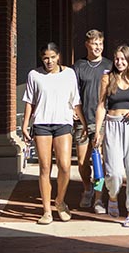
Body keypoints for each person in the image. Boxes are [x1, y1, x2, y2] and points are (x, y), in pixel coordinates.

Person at [21, 42, 87, 225]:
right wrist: (25, 124)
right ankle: (47, 211)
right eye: (45, 58)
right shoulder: (34, 75)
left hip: (63, 123)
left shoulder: (69, 74)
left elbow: (76, 100)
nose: (49, 61)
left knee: (65, 166)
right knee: (45, 167)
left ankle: (59, 201)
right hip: (42, 124)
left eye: (52, 57)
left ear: (58, 56)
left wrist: (83, 123)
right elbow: (29, 101)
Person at [94, 44, 129, 227]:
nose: (119, 62)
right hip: (112, 125)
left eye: (123, 59)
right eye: (117, 59)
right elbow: (101, 106)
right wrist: (98, 131)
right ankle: (112, 195)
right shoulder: (107, 78)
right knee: (114, 172)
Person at [72, 29, 113, 214]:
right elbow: (72, 93)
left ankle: (98, 199)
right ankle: (87, 188)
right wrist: (71, 109)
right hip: (82, 119)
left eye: (100, 44)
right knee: (82, 162)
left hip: (101, 121)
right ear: (87, 44)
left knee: (99, 160)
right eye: (94, 43)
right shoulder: (78, 67)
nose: (98, 47)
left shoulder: (109, 66)